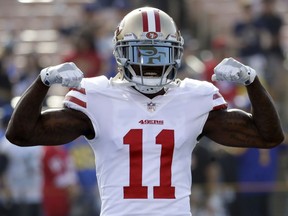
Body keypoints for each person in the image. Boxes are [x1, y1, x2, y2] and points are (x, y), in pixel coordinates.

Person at [5, 7, 284, 216]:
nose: (151, 65)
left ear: (175, 54)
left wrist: (252, 81)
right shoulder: (98, 95)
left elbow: (268, 136)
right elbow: (21, 134)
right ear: (121, 53)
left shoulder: (194, 97)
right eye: (141, 53)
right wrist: (42, 82)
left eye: (159, 54)